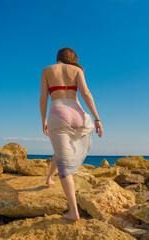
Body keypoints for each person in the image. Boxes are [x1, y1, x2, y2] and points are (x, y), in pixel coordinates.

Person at [39, 47, 103, 221]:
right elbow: (86, 93)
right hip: (77, 113)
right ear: (72, 59)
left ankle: (74, 212)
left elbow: (43, 98)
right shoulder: (77, 70)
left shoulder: (47, 70)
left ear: (58, 57)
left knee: (65, 165)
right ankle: (49, 177)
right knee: (61, 150)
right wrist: (97, 119)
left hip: (58, 113)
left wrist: (43, 119)